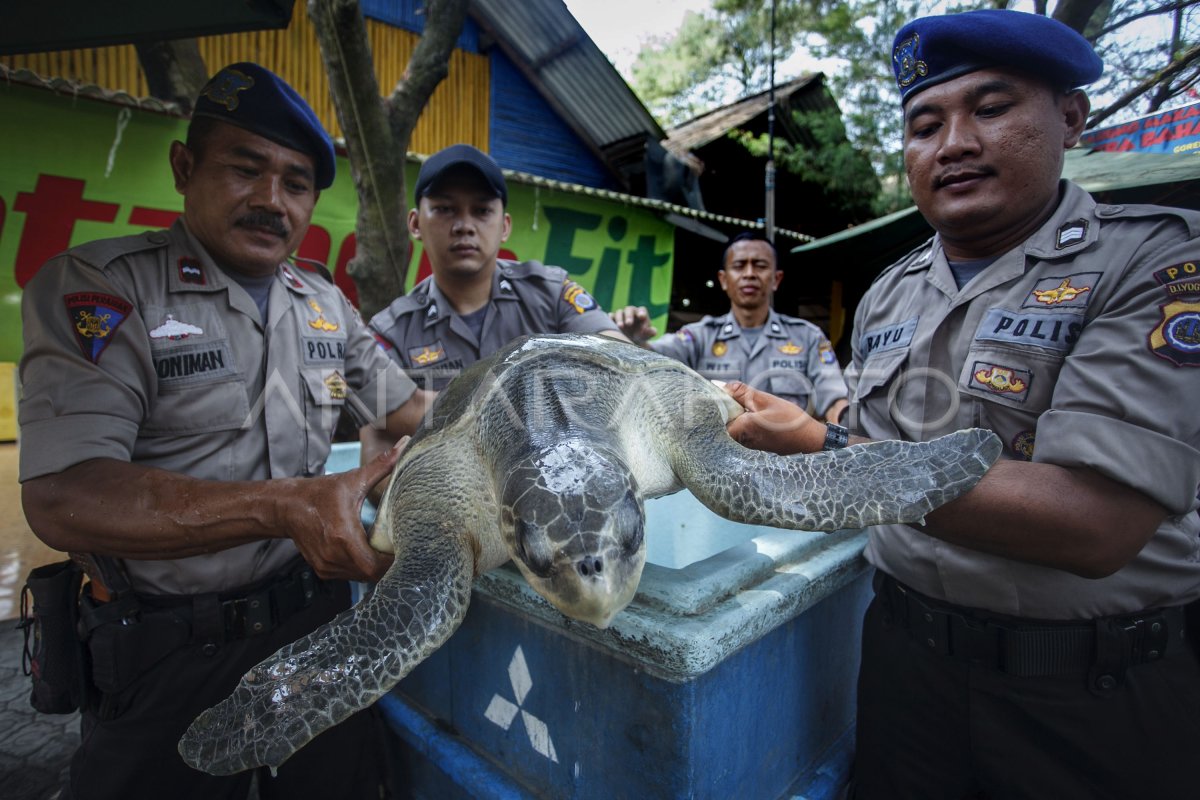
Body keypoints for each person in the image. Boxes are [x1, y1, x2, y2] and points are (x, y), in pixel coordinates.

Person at [723, 10, 1200, 800]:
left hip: (1093, 692)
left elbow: (1094, 520)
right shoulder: (887, 292)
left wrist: (820, 448)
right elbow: (869, 438)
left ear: (1070, 118)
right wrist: (807, 436)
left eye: (991, 108)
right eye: (924, 124)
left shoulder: (1158, 258)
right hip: (906, 669)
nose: (954, 145)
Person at [18, 62, 432, 799]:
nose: (272, 201)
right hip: (165, 649)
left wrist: (529, 401)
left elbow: (410, 411)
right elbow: (63, 494)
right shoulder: (105, 288)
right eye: (246, 169)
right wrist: (285, 506)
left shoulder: (325, 304)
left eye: (297, 184)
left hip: (312, 629)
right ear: (185, 167)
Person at [362, 143, 628, 462]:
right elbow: (375, 447)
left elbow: (619, 362)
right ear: (416, 224)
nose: (464, 226)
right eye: (445, 209)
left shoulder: (552, 294)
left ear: (504, 226)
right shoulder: (392, 331)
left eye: (482, 211)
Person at [611, 231, 848, 423]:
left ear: (776, 279)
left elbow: (836, 400)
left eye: (760, 265)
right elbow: (653, 358)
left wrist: (846, 439)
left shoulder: (807, 337)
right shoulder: (700, 336)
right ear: (724, 280)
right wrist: (634, 340)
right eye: (739, 265)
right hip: (718, 466)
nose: (749, 274)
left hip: (790, 467)